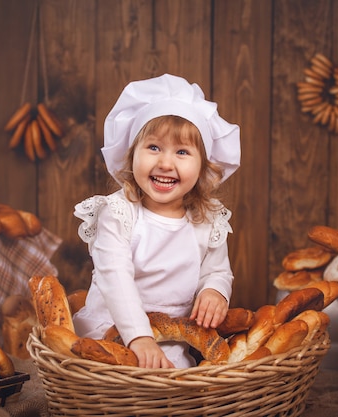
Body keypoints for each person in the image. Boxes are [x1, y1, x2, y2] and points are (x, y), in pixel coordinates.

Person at [72, 73, 241, 368]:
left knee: (175, 387)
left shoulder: (206, 220)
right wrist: (139, 337)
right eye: (153, 147)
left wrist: (215, 290)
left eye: (182, 152)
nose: (165, 163)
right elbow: (116, 278)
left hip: (173, 337)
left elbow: (217, 270)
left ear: (203, 167)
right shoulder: (118, 213)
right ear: (131, 155)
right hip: (112, 331)